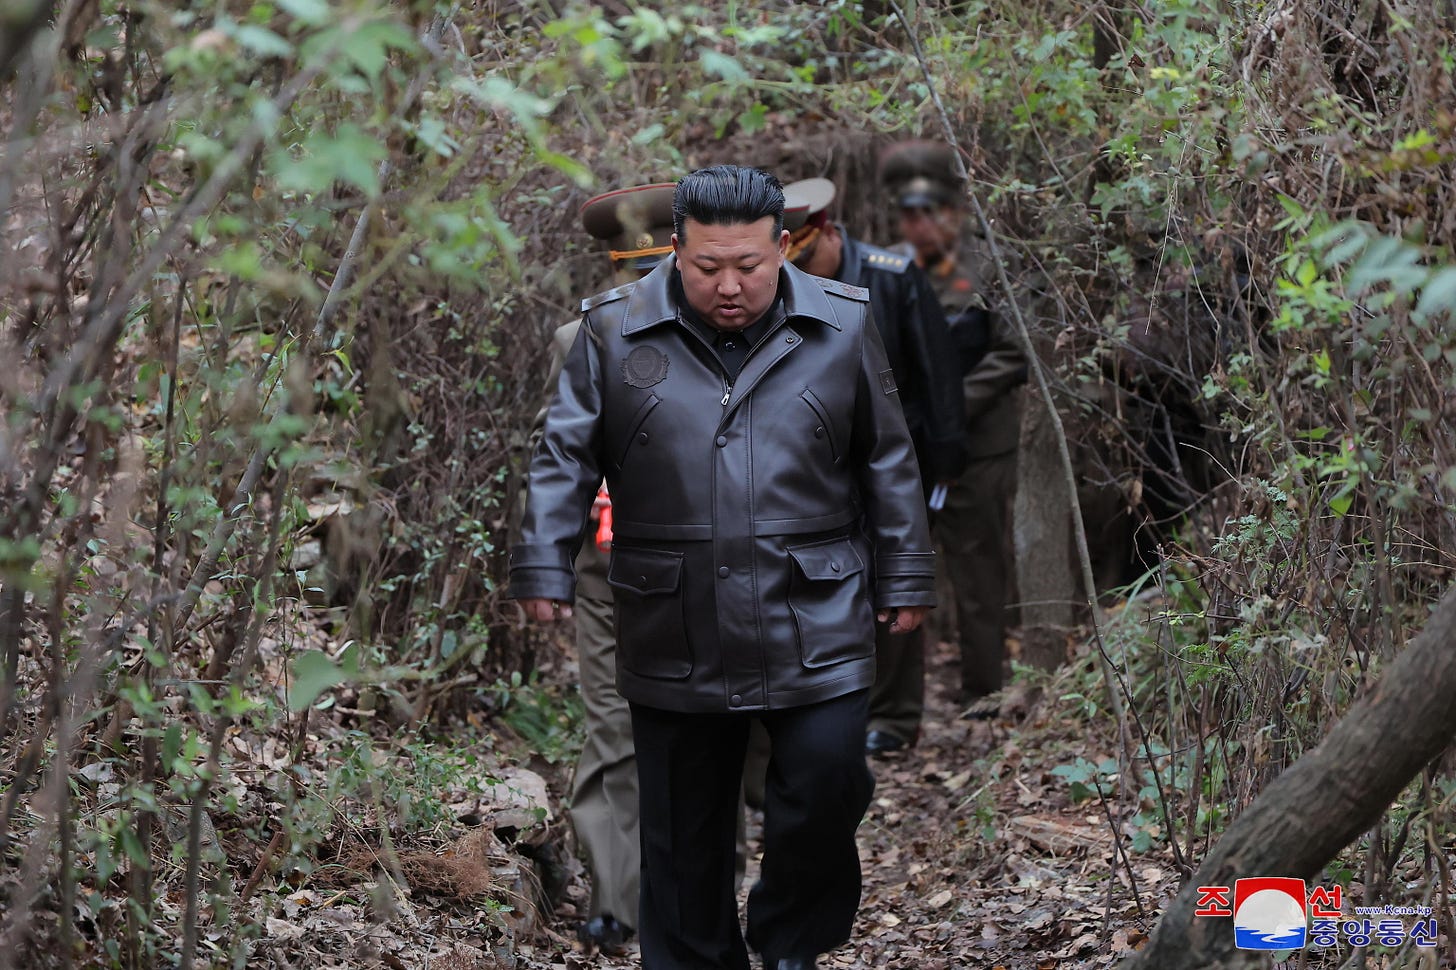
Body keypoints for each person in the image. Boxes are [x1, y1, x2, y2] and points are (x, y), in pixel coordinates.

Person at [511, 165, 935, 970]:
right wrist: (542, 563)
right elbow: (562, 455)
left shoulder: (843, 323)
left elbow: (888, 456)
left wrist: (907, 573)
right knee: (683, 829)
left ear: (785, 246)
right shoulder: (612, 327)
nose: (730, 285)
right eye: (708, 268)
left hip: (816, 604)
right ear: (676, 251)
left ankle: (789, 943)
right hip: (673, 609)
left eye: (749, 265)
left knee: (828, 784)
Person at [530, 182, 678, 954]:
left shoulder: (738, 332)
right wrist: (548, 564)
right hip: (614, 569)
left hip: (703, 572)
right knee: (618, 730)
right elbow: (560, 459)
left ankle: (670, 896)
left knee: (704, 735)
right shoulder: (578, 339)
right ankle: (624, 903)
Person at [781, 176, 965, 757]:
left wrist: (943, 462)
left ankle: (894, 714)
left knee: (898, 583)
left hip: (894, 460)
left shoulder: (890, 274)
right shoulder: (779, 286)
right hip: (817, 468)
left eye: (808, 254)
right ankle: (833, 705)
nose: (803, 265)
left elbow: (938, 374)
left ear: (829, 231)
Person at [879, 140, 1028, 712]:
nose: (920, 224)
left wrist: (950, 406)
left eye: (930, 210)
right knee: (895, 575)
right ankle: (892, 712)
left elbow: (1014, 353)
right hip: (903, 449)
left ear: (954, 210)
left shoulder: (989, 267)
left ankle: (983, 693)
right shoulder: (887, 268)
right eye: (909, 213)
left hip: (979, 446)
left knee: (980, 577)